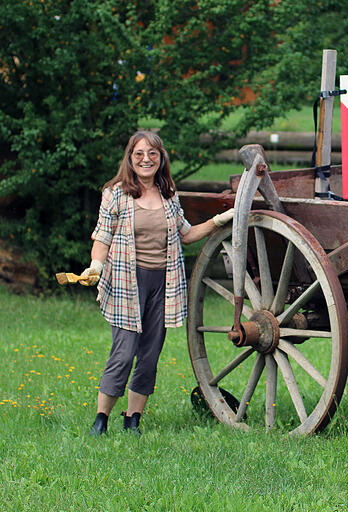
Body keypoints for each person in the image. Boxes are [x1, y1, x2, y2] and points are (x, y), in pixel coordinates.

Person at [81, 130, 234, 436]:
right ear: (130, 159)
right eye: (139, 154)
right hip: (127, 282)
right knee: (123, 353)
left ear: (161, 158)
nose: (145, 159)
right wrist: (96, 265)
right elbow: (102, 237)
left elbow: (185, 234)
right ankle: (101, 420)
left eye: (152, 153)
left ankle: (132, 420)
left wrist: (217, 221)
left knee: (150, 354)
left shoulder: (168, 195)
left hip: (162, 283)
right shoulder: (116, 194)